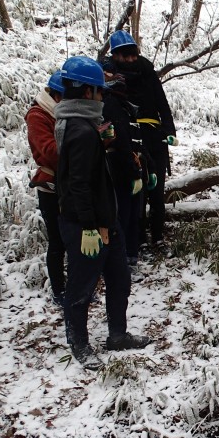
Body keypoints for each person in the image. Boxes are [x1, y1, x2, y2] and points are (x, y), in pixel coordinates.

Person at [55, 55, 150, 370]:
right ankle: (79, 344)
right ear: (86, 93)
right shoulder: (80, 132)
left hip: (107, 219)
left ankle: (117, 335)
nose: (103, 96)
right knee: (81, 287)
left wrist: (106, 143)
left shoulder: (84, 126)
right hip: (88, 226)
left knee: (120, 279)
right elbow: (77, 185)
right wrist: (89, 228)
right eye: (100, 91)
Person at [103, 30, 178, 250]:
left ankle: (157, 235)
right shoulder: (110, 76)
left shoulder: (146, 71)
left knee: (157, 188)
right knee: (136, 190)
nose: (130, 60)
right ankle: (137, 238)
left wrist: (169, 130)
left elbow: (161, 102)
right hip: (129, 139)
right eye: (125, 56)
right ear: (116, 55)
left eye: (132, 55)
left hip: (154, 136)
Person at [101, 73, 156, 281]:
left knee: (134, 216)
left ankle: (131, 259)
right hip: (120, 171)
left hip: (134, 169)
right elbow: (121, 143)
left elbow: (137, 140)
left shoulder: (127, 107)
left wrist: (147, 168)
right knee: (123, 217)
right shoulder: (111, 106)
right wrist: (134, 172)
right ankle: (120, 264)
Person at [25, 70, 66, 306]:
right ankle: (59, 290)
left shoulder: (57, 113)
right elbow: (49, 151)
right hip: (51, 186)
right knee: (57, 241)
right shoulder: (38, 115)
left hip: (68, 183)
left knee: (71, 238)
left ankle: (73, 286)